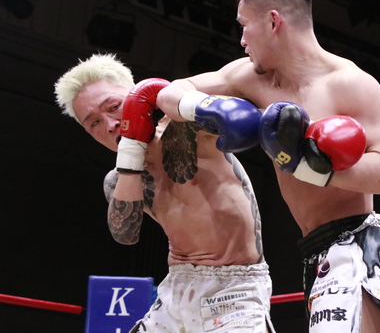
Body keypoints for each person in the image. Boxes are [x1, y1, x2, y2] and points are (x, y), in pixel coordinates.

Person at [157, 0, 380, 333]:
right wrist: (203, 107)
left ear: (273, 21)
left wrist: (308, 165)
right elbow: (169, 91)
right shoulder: (250, 78)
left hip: (355, 246)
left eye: (244, 25)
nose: (242, 39)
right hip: (314, 254)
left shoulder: (349, 84)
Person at [54, 53, 275, 333]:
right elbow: (125, 234)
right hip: (175, 290)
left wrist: (179, 96)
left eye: (114, 107)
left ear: (135, 94)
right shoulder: (117, 180)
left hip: (233, 289)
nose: (110, 124)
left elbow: (248, 75)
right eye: (94, 123)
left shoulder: (186, 125)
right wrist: (131, 154)